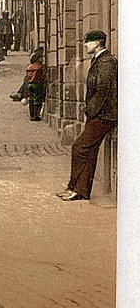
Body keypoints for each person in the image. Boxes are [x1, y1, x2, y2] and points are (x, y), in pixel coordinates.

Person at [57, 30, 117, 201]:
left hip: (104, 115)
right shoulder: (100, 60)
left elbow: (103, 90)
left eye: (88, 42)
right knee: (89, 151)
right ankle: (80, 190)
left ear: (97, 42)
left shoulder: (106, 62)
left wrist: (90, 111)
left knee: (79, 148)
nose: (85, 45)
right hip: (101, 114)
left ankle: (74, 188)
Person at [26, 53, 46, 121]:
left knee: (31, 100)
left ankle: (31, 115)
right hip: (37, 84)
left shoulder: (29, 66)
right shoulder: (39, 67)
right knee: (37, 100)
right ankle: (36, 115)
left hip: (30, 84)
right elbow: (42, 77)